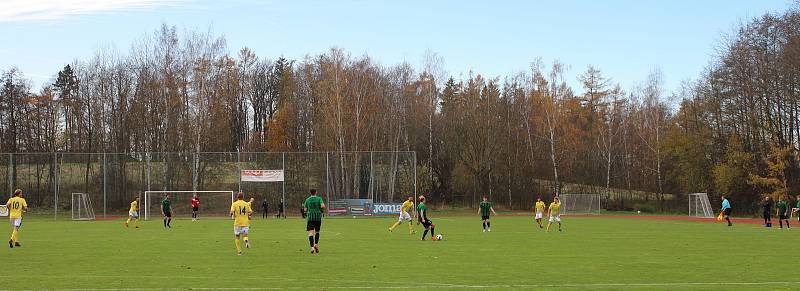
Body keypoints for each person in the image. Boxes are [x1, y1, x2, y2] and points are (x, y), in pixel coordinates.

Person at [303, 189, 326, 254]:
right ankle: (316, 244)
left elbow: (305, 209)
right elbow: (322, 206)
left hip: (310, 218)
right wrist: (321, 208)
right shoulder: (319, 198)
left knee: (310, 233)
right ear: (316, 192)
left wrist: (308, 210)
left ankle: (312, 247)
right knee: (317, 231)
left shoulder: (307, 200)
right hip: (318, 218)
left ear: (310, 193)